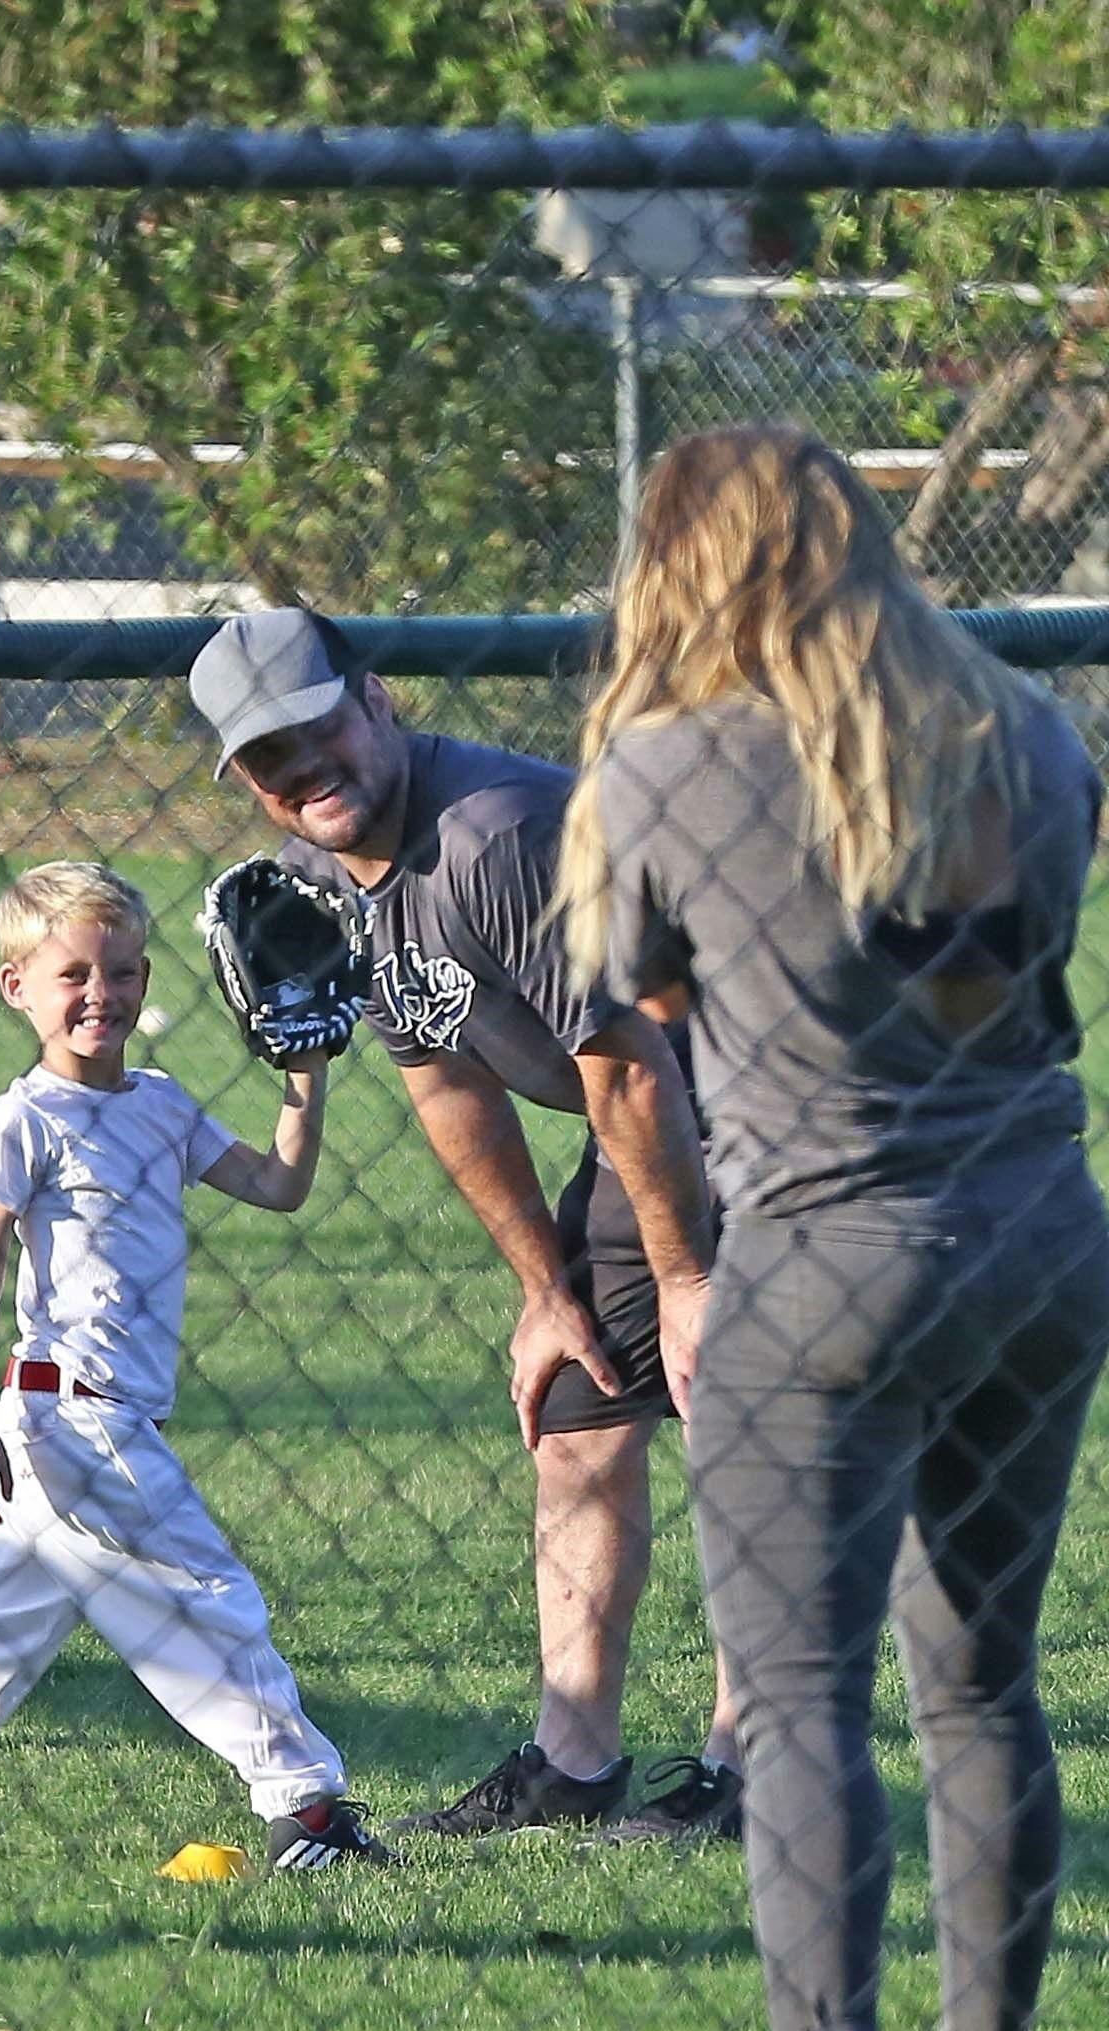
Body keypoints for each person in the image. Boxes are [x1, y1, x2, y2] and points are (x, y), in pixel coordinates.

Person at [558, 423, 1109, 2031]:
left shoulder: (662, 761)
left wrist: (677, 1256)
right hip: (1039, 1239)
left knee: (797, 1690)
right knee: (979, 1683)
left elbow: (618, 1015)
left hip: (820, 1249)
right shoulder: (1022, 725)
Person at [189, 610, 743, 1846]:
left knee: (748, 1418)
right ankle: (573, 1760)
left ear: (376, 698)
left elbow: (628, 1064)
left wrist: (687, 1274)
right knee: (579, 1413)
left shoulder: (494, 835)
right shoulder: (334, 872)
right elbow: (441, 1076)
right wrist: (548, 1288)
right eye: (262, 758)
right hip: (665, 1114)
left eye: (312, 727)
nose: (297, 769)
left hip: (794, 1094)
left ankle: (754, 1770)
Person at [0, 861, 388, 1870]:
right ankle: (307, 1809)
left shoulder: (163, 1104)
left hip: (97, 1421)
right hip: (70, 1418)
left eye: (125, 971)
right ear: (18, 989)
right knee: (209, 1594)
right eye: (75, 975)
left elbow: (279, 1185)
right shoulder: (26, 1118)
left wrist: (303, 1074)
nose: (105, 994)